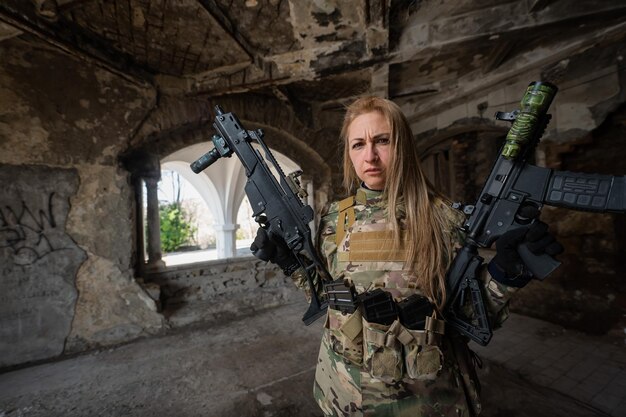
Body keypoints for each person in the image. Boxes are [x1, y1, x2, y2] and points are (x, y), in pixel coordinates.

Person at [251, 96, 562, 416]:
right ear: (349, 153)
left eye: (382, 141)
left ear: (403, 146)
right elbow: (330, 298)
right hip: (347, 394)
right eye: (358, 144)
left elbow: (471, 317)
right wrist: (291, 264)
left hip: (427, 399)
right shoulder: (334, 219)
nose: (370, 155)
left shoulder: (442, 218)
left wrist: (506, 274)